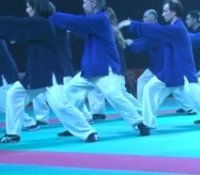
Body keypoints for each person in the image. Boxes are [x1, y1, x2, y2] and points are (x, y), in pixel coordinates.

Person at [119, 0, 200, 130]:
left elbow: (156, 30)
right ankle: (148, 123)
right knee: (149, 88)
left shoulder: (178, 28)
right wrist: (132, 43)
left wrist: (132, 24)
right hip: (169, 72)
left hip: (183, 72)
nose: (163, 14)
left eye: (166, 11)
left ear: (173, 12)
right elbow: (154, 36)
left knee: (197, 99)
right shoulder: (172, 29)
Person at [0, 0, 98, 143]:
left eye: (28, 7)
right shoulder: (40, 24)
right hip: (36, 73)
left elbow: (16, 24)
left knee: (60, 104)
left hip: (49, 72)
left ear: (36, 8)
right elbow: (21, 30)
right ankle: (12, 134)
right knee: (14, 95)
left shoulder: (42, 23)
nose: (26, 10)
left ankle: (88, 132)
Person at [50, 0, 149, 136]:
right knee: (68, 93)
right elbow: (78, 26)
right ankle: (77, 125)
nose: (83, 5)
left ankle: (139, 123)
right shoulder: (94, 21)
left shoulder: (100, 19)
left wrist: (51, 15)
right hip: (90, 70)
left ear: (93, 4)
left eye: (85, 2)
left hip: (104, 69)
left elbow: (77, 22)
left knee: (115, 96)